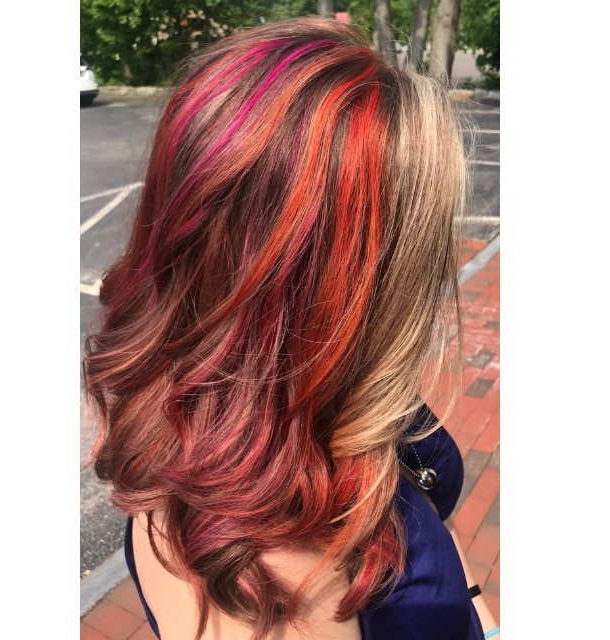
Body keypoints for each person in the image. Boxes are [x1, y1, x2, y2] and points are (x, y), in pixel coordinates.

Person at [83, 16, 499, 640]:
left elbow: (423, 514)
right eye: (422, 248)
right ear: (338, 287)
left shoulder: (314, 393)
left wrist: (470, 602)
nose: (439, 270)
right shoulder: (276, 575)